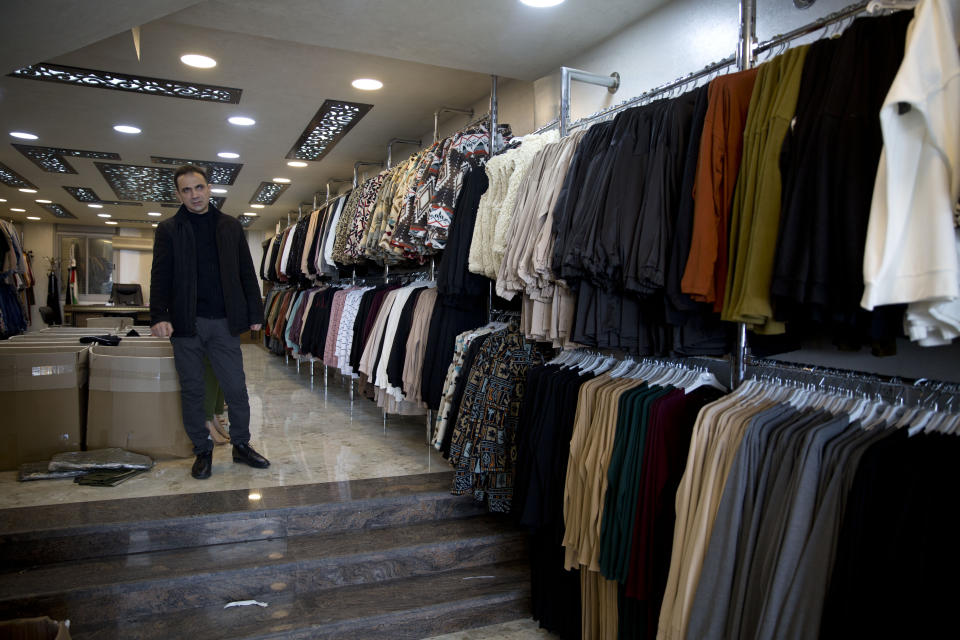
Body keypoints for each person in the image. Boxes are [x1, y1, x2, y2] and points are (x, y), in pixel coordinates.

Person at [149, 164, 269, 479]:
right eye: (186, 190)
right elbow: (159, 277)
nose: (194, 195)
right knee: (192, 390)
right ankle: (202, 450)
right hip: (185, 324)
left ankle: (241, 446)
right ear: (178, 195)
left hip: (223, 322)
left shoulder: (230, 227)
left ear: (209, 189)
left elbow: (246, 270)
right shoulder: (169, 230)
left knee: (235, 388)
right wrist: (159, 315)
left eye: (198, 187)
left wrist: (255, 313)